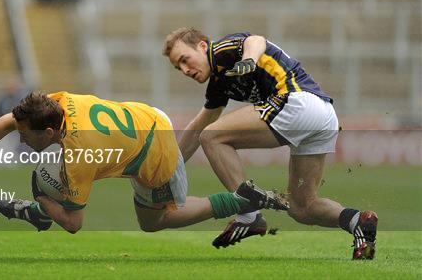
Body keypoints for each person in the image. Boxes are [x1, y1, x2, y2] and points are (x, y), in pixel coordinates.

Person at [0, 91, 288, 234]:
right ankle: (36, 214)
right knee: (63, 191)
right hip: (144, 119)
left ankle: (244, 200)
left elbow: (73, 223)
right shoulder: (57, 102)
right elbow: (10, 120)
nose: (20, 138)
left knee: (156, 220)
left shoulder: (79, 156)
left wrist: (40, 195)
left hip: (153, 157)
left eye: (26, 135)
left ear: (51, 131)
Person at [162, 27, 378, 260]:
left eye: (185, 59)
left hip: (297, 102)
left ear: (202, 46)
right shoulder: (218, 83)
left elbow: (255, 40)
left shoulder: (219, 51)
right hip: (322, 115)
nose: (184, 70)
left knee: (212, 136)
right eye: (178, 67)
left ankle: (249, 215)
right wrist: (170, 167)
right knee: (302, 207)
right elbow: (198, 125)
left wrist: (248, 61)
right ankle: (359, 223)